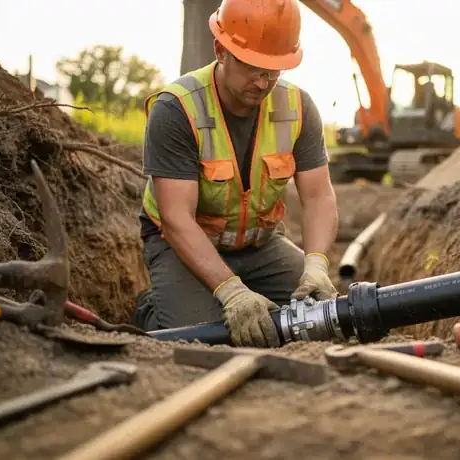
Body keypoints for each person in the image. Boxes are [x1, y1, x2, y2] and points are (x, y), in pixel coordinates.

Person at [133, 0, 339, 349]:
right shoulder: (176, 109)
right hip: (181, 244)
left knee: (323, 317)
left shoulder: (298, 108)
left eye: (274, 70)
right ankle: (151, 309)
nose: (263, 82)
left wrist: (316, 264)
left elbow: (319, 196)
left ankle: (242, 286)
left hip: (259, 244)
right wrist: (231, 291)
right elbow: (175, 219)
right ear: (221, 50)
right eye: (253, 68)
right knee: (202, 339)